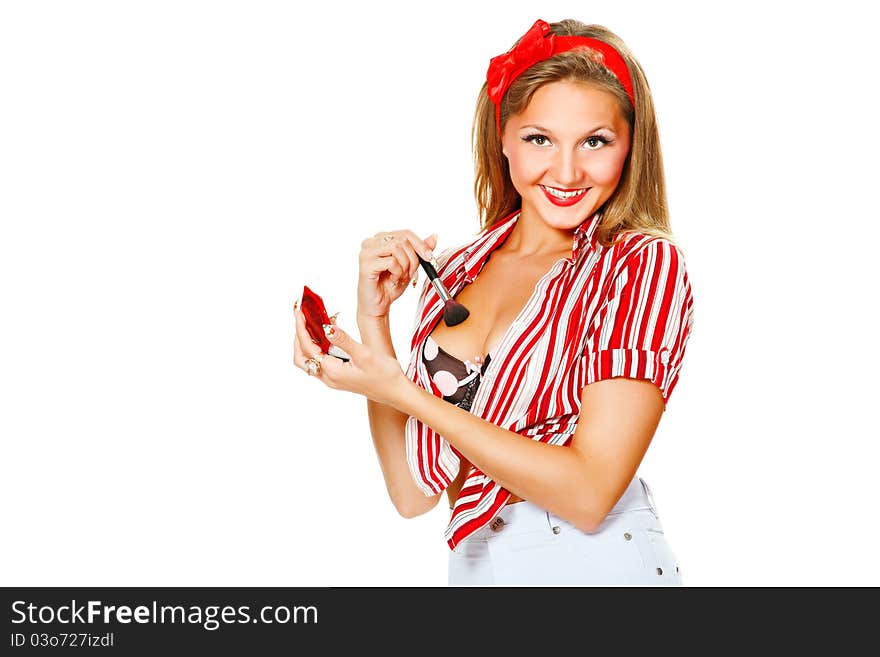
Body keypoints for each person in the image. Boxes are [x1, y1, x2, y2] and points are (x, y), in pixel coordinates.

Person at [293, 17, 695, 586]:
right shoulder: (455, 272)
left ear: (630, 145)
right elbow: (412, 493)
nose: (566, 171)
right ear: (503, 137)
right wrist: (373, 320)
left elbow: (588, 493)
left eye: (595, 141)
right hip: (481, 570)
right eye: (539, 139)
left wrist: (401, 391)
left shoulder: (638, 266)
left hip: (596, 567)